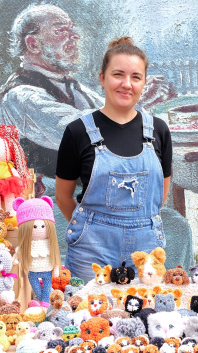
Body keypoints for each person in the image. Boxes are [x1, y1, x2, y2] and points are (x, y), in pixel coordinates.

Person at [0, 4, 174, 177]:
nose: (75, 36)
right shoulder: (19, 96)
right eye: (60, 31)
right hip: (45, 197)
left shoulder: (70, 85)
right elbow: (79, 131)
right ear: (33, 44)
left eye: (72, 29)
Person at [55, 37, 172, 282]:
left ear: (144, 83)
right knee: (87, 306)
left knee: (145, 305)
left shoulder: (159, 131)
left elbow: (159, 198)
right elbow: (63, 197)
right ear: (102, 78)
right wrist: (91, 227)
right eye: (118, 74)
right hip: (91, 250)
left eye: (136, 77)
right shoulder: (77, 132)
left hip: (146, 251)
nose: (126, 84)